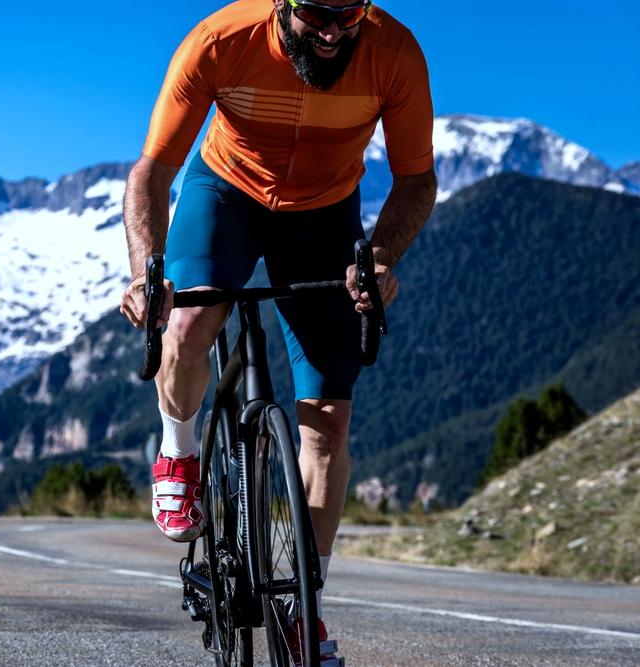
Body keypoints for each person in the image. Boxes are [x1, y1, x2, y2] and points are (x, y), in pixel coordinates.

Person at [120, 0, 436, 659]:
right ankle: (178, 448)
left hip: (323, 218)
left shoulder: (394, 54)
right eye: (316, 14)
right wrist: (148, 274)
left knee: (329, 420)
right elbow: (152, 171)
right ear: (282, 4)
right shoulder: (219, 41)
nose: (331, 31)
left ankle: (307, 611)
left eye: (348, 16)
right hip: (225, 193)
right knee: (188, 322)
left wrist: (378, 260)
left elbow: (415, 179)